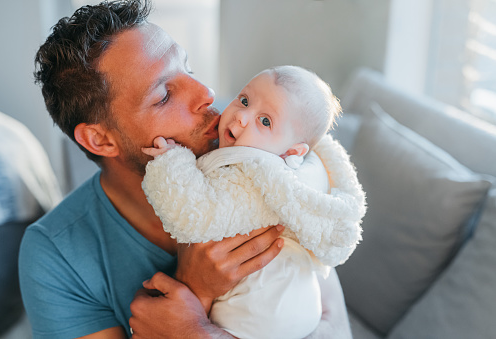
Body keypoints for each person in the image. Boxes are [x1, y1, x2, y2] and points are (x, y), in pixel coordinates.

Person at [19, 0, 354, 338]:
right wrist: (196, 287)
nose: (206, 94)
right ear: (100, 139)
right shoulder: (55, 257)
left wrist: (197, 332)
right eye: (164, 95)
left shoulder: (260, 166)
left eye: (188, 68)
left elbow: (337, 329)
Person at [140, 66, 365, 338]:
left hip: (254, 319)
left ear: (293, 151)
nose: (242, 116)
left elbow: (193, 212)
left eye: (265, 121)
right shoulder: (311, 174)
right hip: (304, 310)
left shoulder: (255, 173)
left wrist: (171, 161)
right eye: (244, 100)